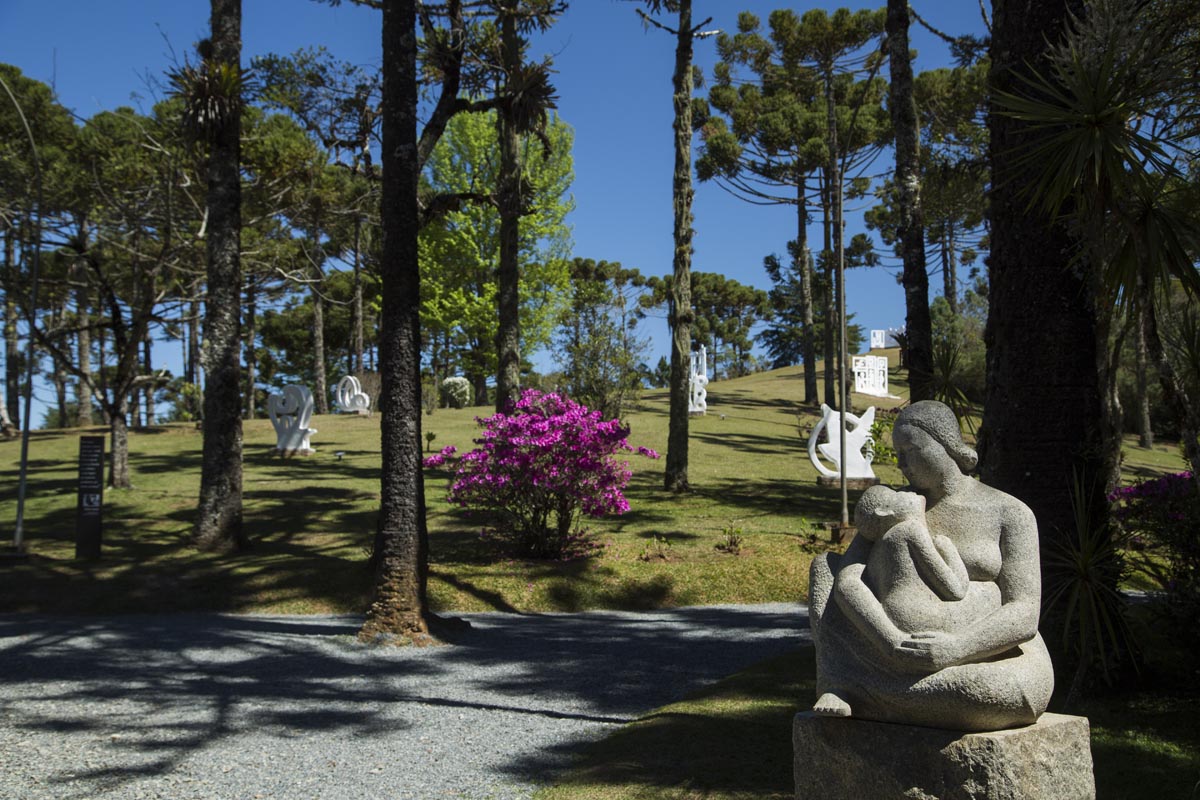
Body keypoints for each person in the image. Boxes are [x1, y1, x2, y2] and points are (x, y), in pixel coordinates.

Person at [809, 400, 1054, 731]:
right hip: (889, 652)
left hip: (991, 658)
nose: (902, 464)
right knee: (824, 566)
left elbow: (1024, 612)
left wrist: (955, 649)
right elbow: (846, 578)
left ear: (945, 443)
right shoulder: (895, 505)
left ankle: (873, 696)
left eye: (910, 449)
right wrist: (891, 642)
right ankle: (839, 683)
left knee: (984, 692)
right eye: (898, 454)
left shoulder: (1010, 513)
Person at [813, 484, 970, 718]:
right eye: (896, 495)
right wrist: (948, 550)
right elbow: (955, 589)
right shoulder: (910, 531)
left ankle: (842, 684)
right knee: (824, 565)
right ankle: (837, 684)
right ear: (885, 512)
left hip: (892, 617)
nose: (904, 490)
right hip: (914, 621)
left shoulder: (883, 539)